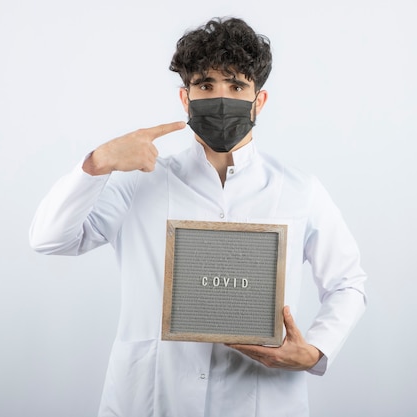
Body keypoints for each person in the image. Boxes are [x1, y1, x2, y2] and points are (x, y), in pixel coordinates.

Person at [30, 17, 367, 417]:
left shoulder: (300, 190)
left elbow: (347, 283)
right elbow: (49, 240)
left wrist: (314, 351)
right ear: (185, 98)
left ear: (259, 101)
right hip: (151, 399)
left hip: (261, 396)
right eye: (206, 85)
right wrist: (98, 163)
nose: (221, 98)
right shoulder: (137, 183)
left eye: (237, 85)